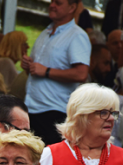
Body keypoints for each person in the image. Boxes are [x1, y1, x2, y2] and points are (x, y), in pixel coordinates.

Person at [22, 0, 90, 146]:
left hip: (55, 111)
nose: (52, 5)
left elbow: (81, 74)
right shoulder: (45, 33)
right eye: (52, 1)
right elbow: (38, 69)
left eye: (58, 3)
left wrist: (46, 71)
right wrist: (28, 66)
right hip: (32, 109)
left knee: (50, 164)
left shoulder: (77, 36)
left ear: (72, 7)